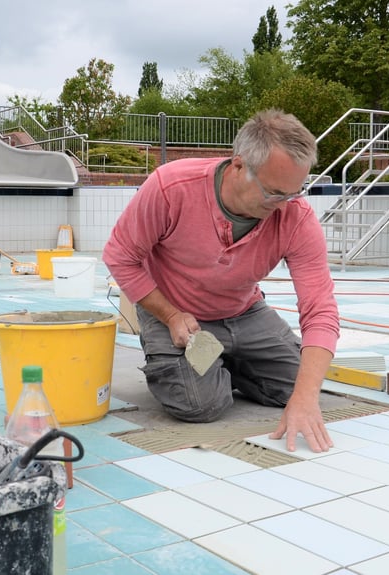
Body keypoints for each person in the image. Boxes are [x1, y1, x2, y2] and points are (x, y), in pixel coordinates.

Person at [102, 109, 339, 453]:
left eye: (293, 194)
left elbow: (320, 309)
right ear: (239, 166)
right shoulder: (172, 187)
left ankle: (224, 359)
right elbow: (120, 256)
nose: (282, 206)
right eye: (274, 193)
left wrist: (304, 399)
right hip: (175, 313)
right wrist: (170, 315)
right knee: (199, 404)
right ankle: (203, 365)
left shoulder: (295, 216)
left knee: (302, 387)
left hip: (244, 312)